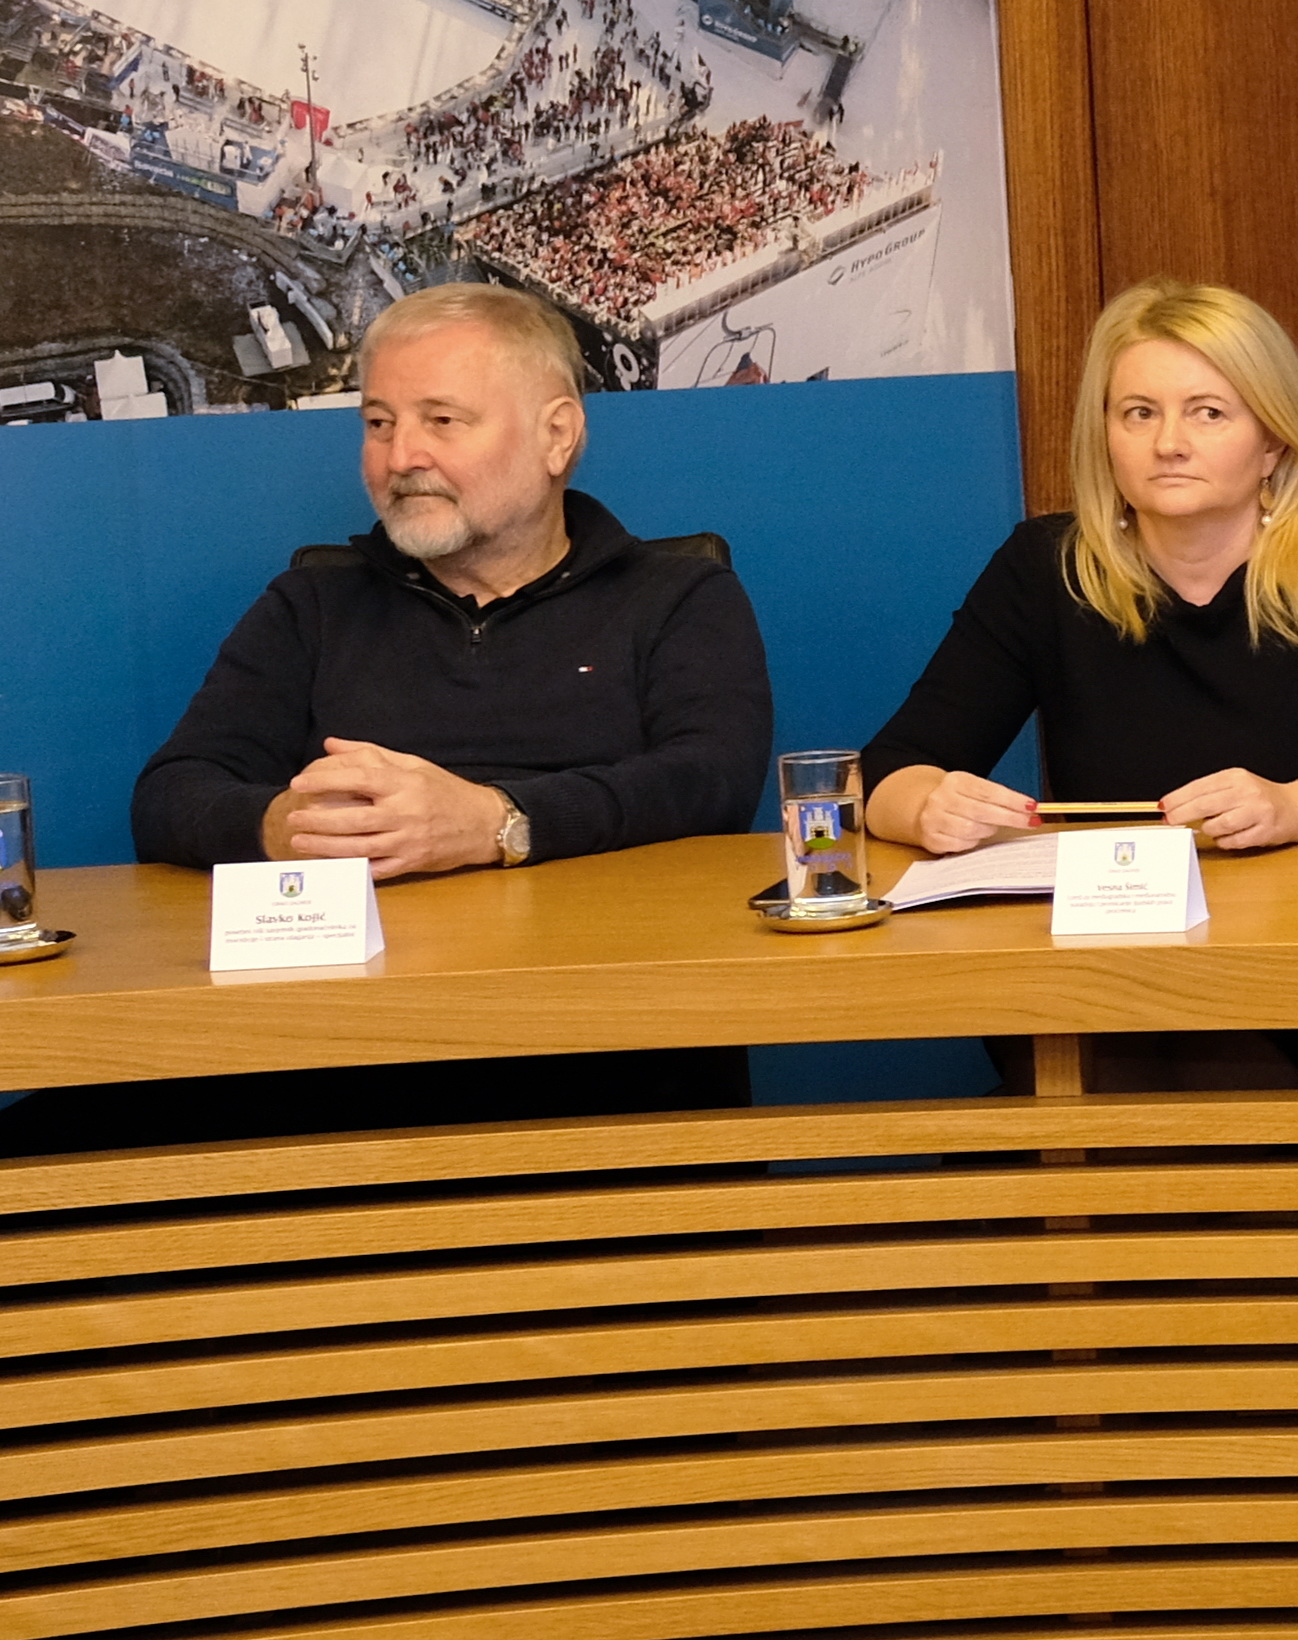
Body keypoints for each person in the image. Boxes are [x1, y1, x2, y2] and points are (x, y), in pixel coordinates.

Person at [2, 282, 774, 1155]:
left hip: (607, 1042)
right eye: (378, 423)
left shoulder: (678, 596)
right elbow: (172, 795)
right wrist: (284, 826)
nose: (401, 456)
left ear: (557, 435)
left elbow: (711, 778)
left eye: (442, 421)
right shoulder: (312, 604)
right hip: (326, 1050)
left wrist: (495, 822)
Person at [862, 281, 1298, 1082]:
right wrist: (926, 805)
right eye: (1139, 413)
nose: (1168, 443)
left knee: (1162, 1082)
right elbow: (890, 768)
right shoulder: (1046, 568)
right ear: (1106, 436)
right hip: (1116, 970)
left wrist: (1295, 809)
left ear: (1272, 443)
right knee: (1080, 1038)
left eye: (1207, 413)